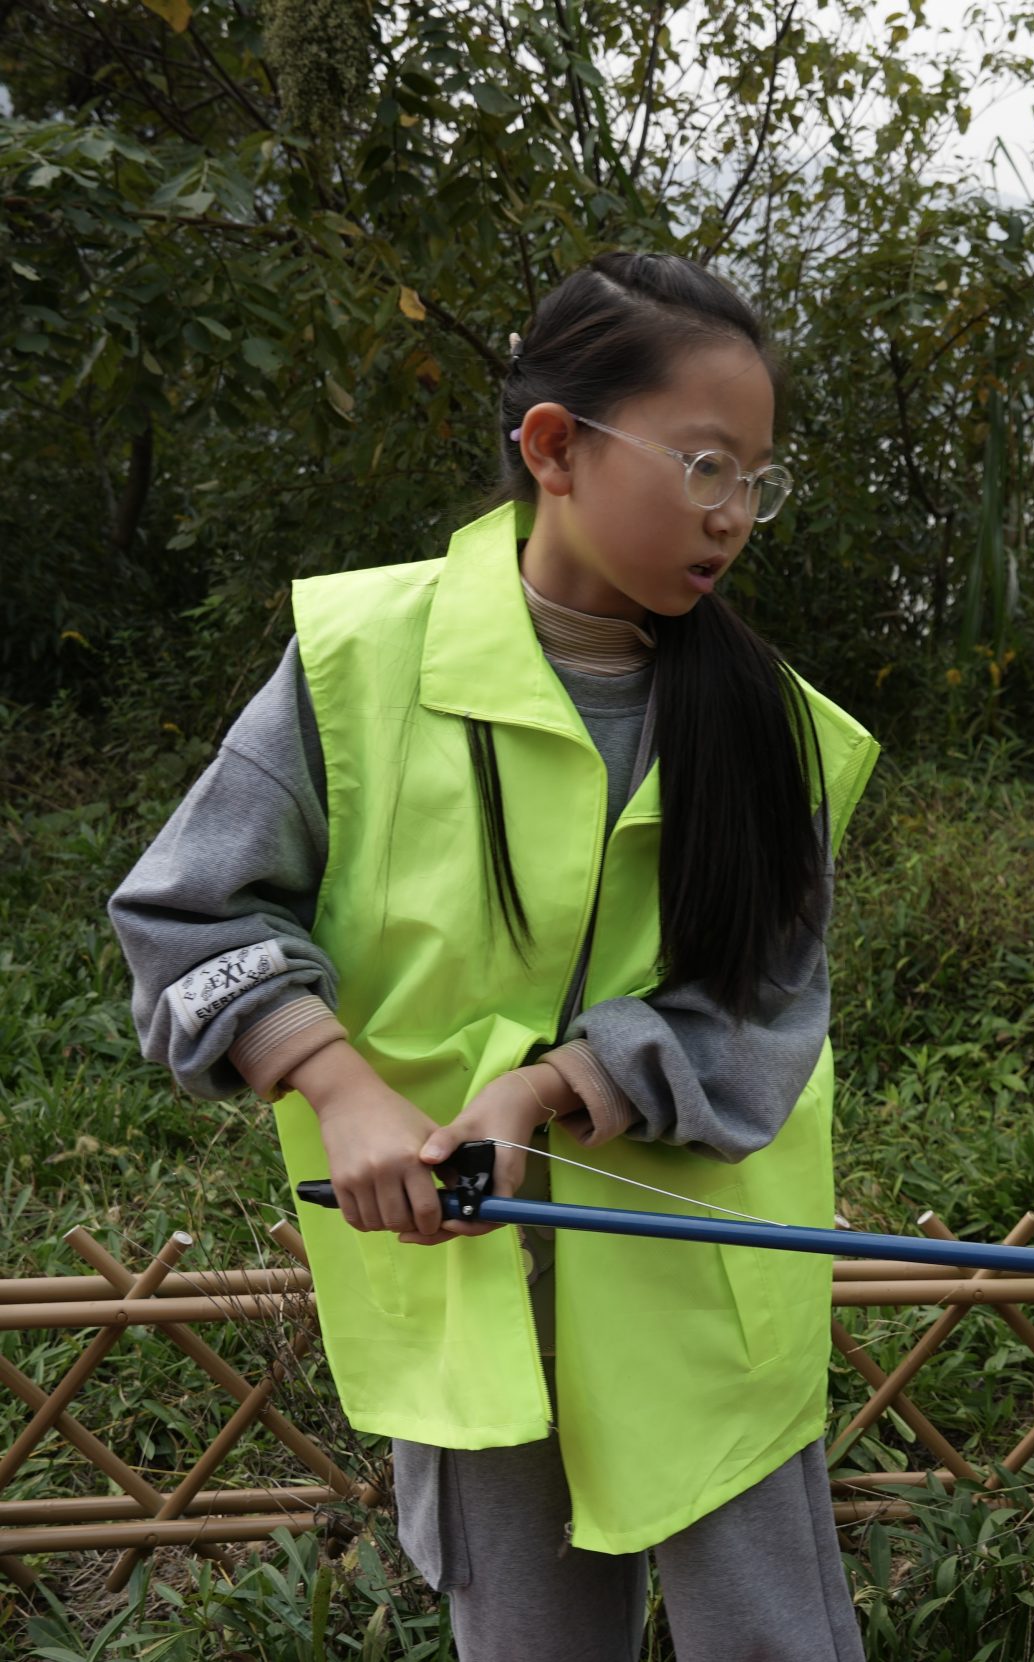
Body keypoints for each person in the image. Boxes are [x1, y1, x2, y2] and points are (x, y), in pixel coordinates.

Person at [111, 251, 877, 1661]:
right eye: (706, 464)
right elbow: (186, 912)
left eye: (757, 479)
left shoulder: (777, 728)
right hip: (463, 1270)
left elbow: (765, 1009)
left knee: (769, 1639)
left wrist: (543, 1089)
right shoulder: (358, 661)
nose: (732, 513)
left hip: (704, 1278)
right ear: (554, 449)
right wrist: (338, 1083)